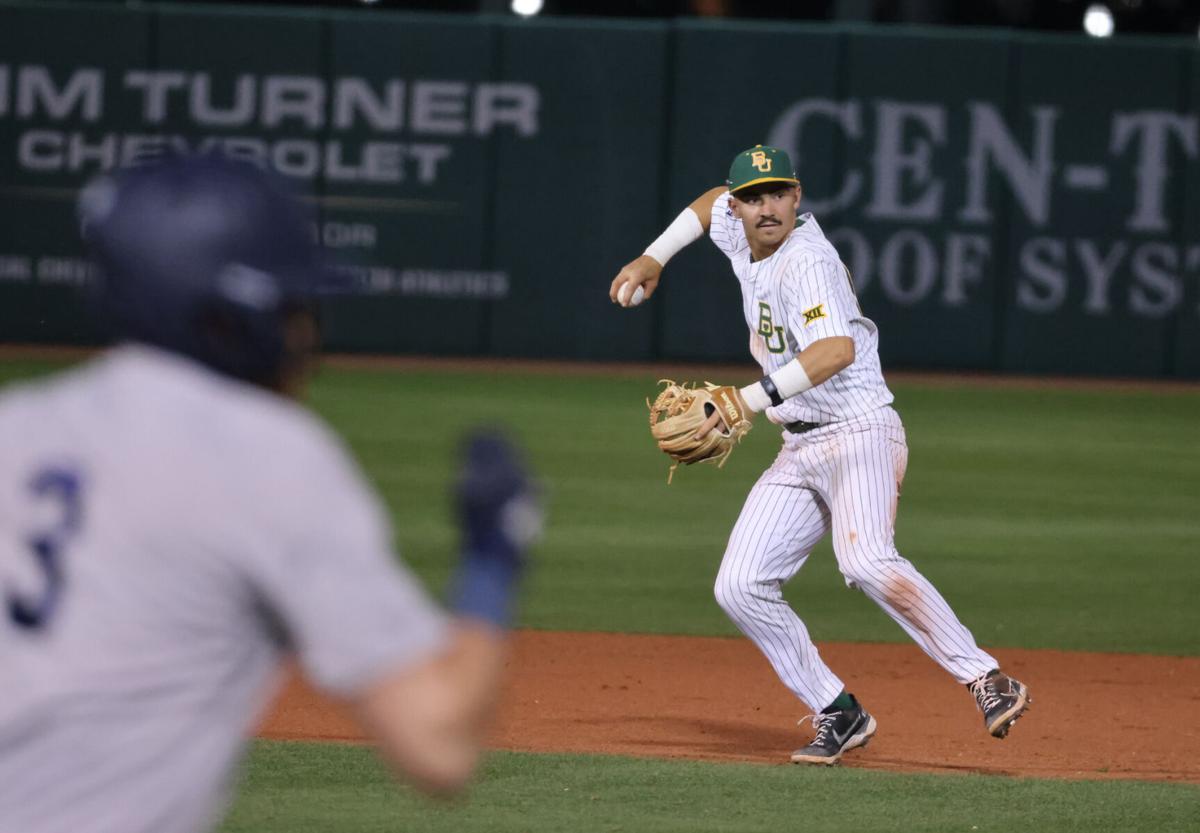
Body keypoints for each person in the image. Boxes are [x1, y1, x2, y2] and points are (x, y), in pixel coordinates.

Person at [0, 154, 540, 832]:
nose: (303, 331)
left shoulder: (17, 423)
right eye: (291, 305)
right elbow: (439, 745)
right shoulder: (264, 455)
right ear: (230, 314)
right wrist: (493, 556)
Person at [609, 144, 1029, 765]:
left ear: (797, 196)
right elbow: (706, 206)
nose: (766, 207)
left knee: (864, 561)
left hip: (860, 429)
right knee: (740, 585)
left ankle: (987, 678)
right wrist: (654, 255)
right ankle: (840, 711)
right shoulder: (736, 225)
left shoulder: (808, 260)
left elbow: (835, 351)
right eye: (752, 197)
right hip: (800, 441)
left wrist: (745, 401)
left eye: (777, 193)